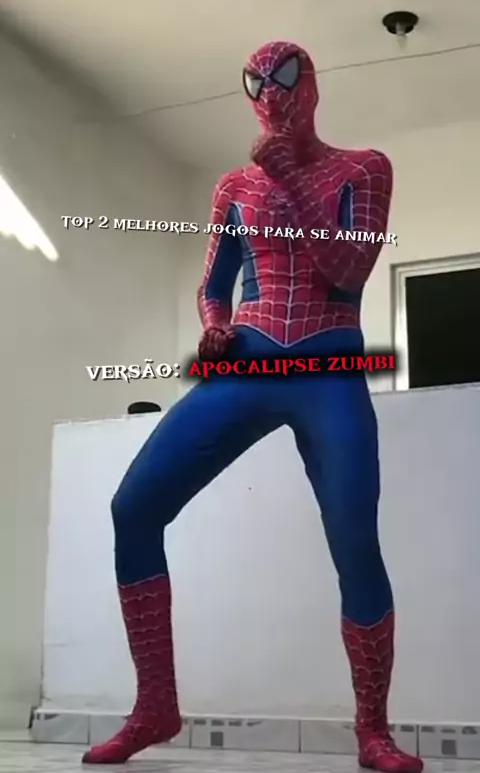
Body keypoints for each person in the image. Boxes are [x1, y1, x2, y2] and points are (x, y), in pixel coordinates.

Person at [82, 41, 423, 773]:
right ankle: (154, 707)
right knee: (133, 508)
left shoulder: (365, 167)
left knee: (355, 542)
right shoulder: (235, 185)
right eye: (256, 81)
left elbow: (351, 267)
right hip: (248, 358)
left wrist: (291, 176)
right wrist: (213, 325)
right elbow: (215, 284)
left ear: (312, 86)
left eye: (286, 76)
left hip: (329, 365)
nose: (271, 92)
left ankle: (373, 731)